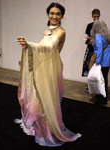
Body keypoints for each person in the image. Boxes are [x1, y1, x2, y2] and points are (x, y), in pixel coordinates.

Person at [16, 2, 81, 147]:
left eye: (58, 14)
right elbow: (42, 49)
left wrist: (30, 45)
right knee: (37, 100)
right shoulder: (47, 31)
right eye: (52, 13)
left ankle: (49, 132)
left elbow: (49, 48)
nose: (55, 16)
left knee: (46, 101)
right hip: (43, 69)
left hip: (52, 71)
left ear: (62, 16)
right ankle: (39, 128)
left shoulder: (61, 32)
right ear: (48, 14)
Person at [91, 20, 110, 104]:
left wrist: (97, 63)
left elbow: (99, 50)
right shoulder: (107, 35)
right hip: (107, 61)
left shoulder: (98, 36)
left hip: (102, 62)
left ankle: (101, 99)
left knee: (99, 80)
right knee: (104, 80)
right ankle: (104, 98)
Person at [82, 9, 101, 78]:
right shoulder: (89, 25)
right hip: (91, 48)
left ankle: (98, 85)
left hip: (99, 48)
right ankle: (90, 85)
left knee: (98, 67)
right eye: (94, 17)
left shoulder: (102, 25)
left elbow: (105, 37)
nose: (96, 18)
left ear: (99, 16)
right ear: (92, 16)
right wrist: (87, 40)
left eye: (97, 17)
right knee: (89, 65)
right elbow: (88, 37)